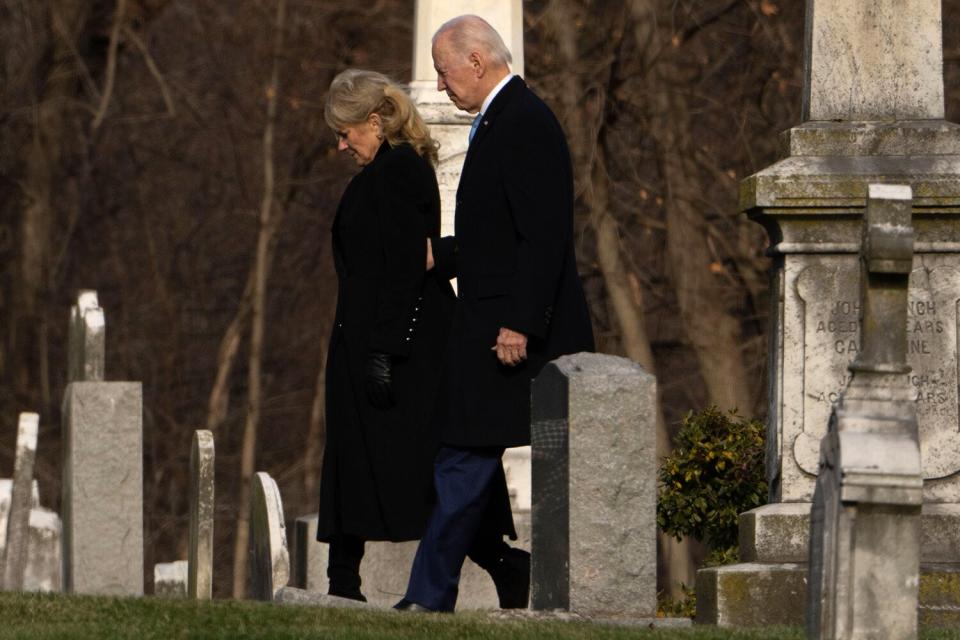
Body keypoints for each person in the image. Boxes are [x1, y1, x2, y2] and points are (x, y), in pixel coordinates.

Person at [394, 16, 594, 613]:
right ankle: (492, 574)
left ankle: (430, 598)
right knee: (461, 456)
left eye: (444, 69)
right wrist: (441, 255)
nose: (441, 82)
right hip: (493, 326)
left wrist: (522, 324)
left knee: (462, 456)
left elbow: (543, 235)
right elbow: (497, 234)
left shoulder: (525, 123)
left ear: (476, 62)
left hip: (514, 335)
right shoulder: (502, 120)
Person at [316, 69, 456, 602]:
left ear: (375, 122)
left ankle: (498, 558)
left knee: (414, 464)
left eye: (347, 130)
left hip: (395, 350)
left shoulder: (399, 172)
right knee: (353, 460)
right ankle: (342, 581)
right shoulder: (378, 174)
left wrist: (383, 351)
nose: (341, 143)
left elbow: (404, 270)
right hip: (366, 343)